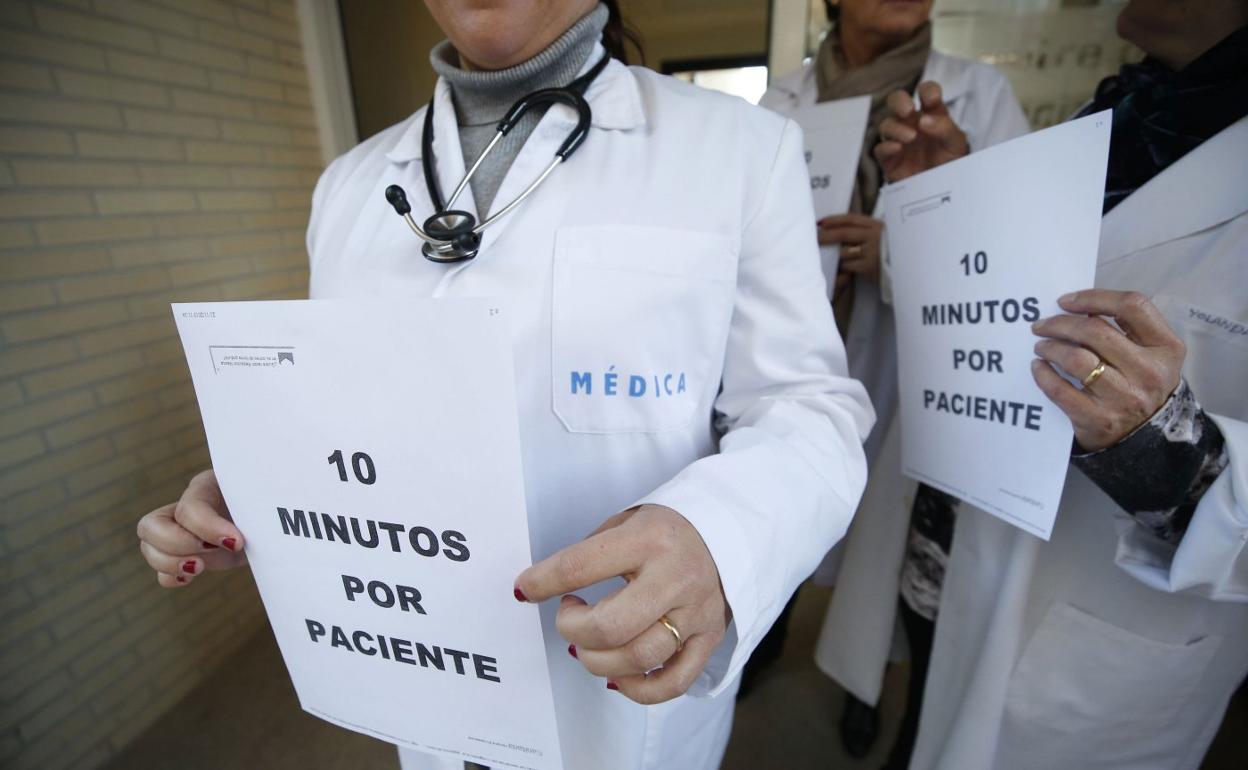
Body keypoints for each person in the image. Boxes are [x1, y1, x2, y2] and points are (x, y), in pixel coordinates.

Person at [135, 2, 875, 769]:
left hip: (612, 700)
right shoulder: (346, 189)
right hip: (428, 676)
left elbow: (808, 405)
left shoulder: (742, 150)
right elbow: (352, 412)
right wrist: (272, 492)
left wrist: (723, 540)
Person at [853, 1, 1248, 767]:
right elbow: (1015, 306)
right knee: (926, 707)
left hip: (1103, 608)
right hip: (964, 523)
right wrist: (958, 204)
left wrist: (1179, 457)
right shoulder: (1124, 113)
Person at [755, 0, 1028, 758]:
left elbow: (1016, 252)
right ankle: (766, 644)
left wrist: (899, 250)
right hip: (799, 347)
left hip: (915, 369)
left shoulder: (978, 96)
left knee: (894, 554)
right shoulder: (782, 99)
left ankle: (862, 689)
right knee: (781, 510)